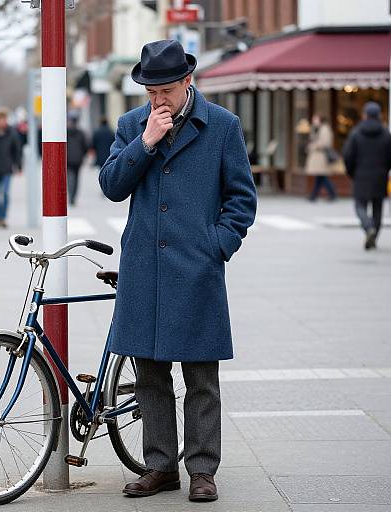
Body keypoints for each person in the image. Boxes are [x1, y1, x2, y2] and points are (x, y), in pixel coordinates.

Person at [99, 40, 257, 502]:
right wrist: (145, 141)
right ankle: (160, 467)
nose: (157, 100)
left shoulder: (223, 126)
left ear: (188, 81)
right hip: (144, 268)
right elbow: (111, 185)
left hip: (197, 267)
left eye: (165, 90)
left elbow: (242, 198)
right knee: (150, 374)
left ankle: (203, 469)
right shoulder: (132, 124)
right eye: (150, 92)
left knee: (201, 376)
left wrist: (218, 246)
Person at [343, 102, 391, 250]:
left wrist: (351, 172)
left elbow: (348, 155)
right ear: (379, 115)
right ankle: (374, 235)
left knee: (360, 205)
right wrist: (385, 169)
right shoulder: (385, 134)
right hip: (380, 175)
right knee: (377, 207)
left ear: (365, 115)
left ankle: (368, 227)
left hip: (361, 174)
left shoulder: (356, 133)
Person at [305, 114, 337, 201]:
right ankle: (314, 196)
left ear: (320, 120)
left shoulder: (325, 129)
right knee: (320, 177)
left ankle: (331, 194)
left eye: (315, 119)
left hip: (321, 157)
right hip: (317, 157)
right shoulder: (317, 129)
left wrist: (312, 146)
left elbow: (325, 143)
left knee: (321, 177)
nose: (314, 121)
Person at [66, 111, 88, 206]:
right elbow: (85, 146)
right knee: (76, 178)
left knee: (70, 178)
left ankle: (71, 196)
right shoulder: (80, 133)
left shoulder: (65, 132)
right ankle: (73, 196)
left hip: (68, 159)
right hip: (78, 159)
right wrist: (83, 154)